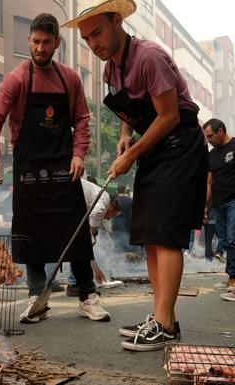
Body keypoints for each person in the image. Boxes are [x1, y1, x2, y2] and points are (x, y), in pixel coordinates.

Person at [66, 0, 208, 351]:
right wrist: (127, 135)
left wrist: (131, 154)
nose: (93, 43)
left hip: (180, 143)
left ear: (117, 21)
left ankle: (163, 321)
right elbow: (130, 109)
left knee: (166, 233)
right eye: (86, 39)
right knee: (148, 234)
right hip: (155, 149)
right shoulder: (110, 71)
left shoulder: (149, 57)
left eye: (97, 33)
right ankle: (165, 320)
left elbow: (169, 115)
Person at [0, 13, 110, 324]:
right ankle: (36, 296)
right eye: (35, 42)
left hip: (65, 166)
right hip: (28, 166)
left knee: (75, 232)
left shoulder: (70, 79)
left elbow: (81, 120)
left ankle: (88, 296)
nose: (39, 48)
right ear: (29, 41)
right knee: (29, 233)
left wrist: (79, 154)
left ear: (57, 44)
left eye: (46, 43)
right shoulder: (17, 78)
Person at [65, 178, 122, 296]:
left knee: (77, 248)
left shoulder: (96, 199)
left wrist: (96, 269)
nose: (108, 218)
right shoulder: (104, 199)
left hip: (69, 206)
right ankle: (75, 284)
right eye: (112, 215)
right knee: (77, 248)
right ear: (112, 206)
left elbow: (87, 250)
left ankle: (74, 284)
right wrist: (93, 232)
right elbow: (97, 213)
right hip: (67, 204)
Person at [203, 119, 235, 299]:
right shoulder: (212, 155)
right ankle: (232, 276)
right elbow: (209, 183)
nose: (208, 140)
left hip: (233, 201)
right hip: (218, 203)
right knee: (225, 241)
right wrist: (205, 208)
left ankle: (234, 279)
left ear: (221, 131)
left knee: (232, 239)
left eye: (210, 136)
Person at [111, 184, 133, 253]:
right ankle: (127, 259)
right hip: (126, 224)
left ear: (117, 191)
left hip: (116, 224)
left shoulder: (114, 200)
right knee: (126, 243)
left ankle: (118, 259)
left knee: (117, 244)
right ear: (124, 191)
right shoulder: (130, 200)